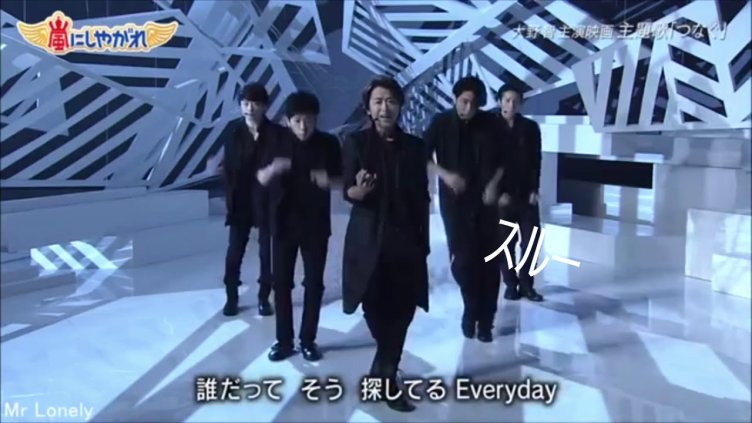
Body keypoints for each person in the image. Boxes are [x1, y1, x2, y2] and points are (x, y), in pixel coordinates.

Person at [341, 76, 430, 413]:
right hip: (368, 241)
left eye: (391, 101)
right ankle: (385, 364)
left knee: (403, 310)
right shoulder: (355, 143)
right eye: (378, 101)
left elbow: (422, 196)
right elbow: (347, 190)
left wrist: (424, 241)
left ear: (400, 106)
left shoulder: (415, 147)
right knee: (375, 310)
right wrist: (359, 192)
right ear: (368, 107)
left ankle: (387, 377)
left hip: (406, 240)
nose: (384, 107)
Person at [260, 92, 342, 362]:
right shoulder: (275, 142)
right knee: (281, 284)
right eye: (297, 121)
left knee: (314, 284)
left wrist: (328, 181)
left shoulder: (328, 143)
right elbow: (259, 178)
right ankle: (284, 341)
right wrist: (273, 169)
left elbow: (344, 180)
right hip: (282, 223)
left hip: (315, 224)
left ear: (317, 119)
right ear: (287, 121)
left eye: (309, 120)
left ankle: (308, 339)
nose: (304, 127)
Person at [424, 76, 504, 343]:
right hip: (455, 202)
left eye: (473, 103)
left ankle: (486, 322)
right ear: (455, 99)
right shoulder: (441, 122)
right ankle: (471, 307)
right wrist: (446, 175)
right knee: (463, 261)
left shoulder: (492, 123)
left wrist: (494, 185)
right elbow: (422, 155)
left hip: (486, 201)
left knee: (489, 262)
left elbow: (505, 161)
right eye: (463, 101)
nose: (468, 108)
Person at [219, 82, 282, 317]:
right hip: (241, 201)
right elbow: (229, 168)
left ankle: (264, 297)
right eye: (245, 103)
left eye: (255, 104)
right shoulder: (233, 131)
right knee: (235, 251)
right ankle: (231, 297)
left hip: (268, 202)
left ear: (264, 106)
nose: (249, 108)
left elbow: (283, 165)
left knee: (267, 254)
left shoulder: (276, 133)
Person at [495, 83, 544, 302]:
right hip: (501, 198)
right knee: (505, 244)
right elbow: (485, 163)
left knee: (531, 241)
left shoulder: (530, 128)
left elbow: (536, 161)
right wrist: (497, 193)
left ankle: (527, 285)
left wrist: (534, 189)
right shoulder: (489, 128)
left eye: (515, 101)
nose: (511, 105)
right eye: (507, 100)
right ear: (500, 101)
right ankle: (510, 284)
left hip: (526, 195)